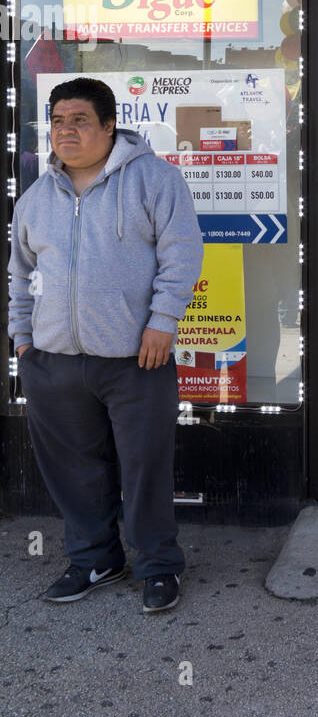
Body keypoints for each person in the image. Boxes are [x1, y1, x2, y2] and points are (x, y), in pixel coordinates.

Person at [7, 78, 204, 614]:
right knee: (73, 469)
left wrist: (163, 322)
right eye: (57, 121)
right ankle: (95, 557)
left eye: (79, 120)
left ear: (110, 124)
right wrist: (24, 343)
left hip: (136, 359)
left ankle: (158, 565)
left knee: (144, 466)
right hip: (53, 362)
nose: (65, 131)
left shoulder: (155, 180)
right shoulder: (35, 199)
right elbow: (20, 277)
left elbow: (182, 254)